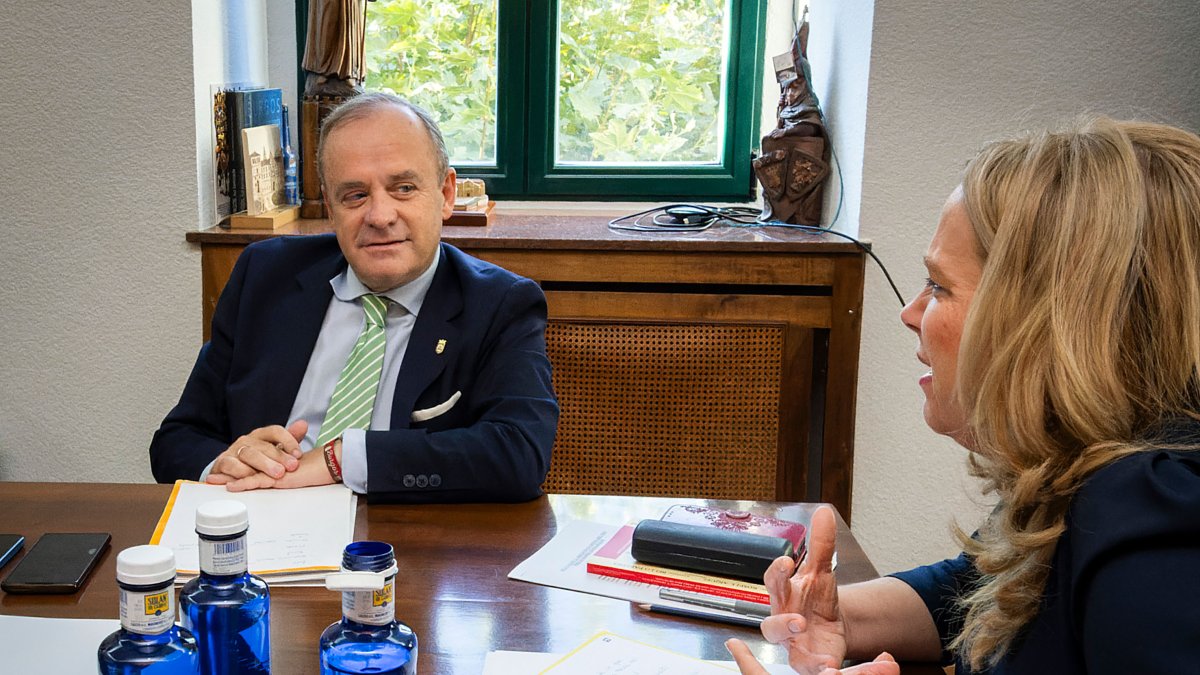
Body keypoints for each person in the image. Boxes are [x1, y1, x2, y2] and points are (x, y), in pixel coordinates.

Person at [728, 117, 1200, 674]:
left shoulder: (1155, 520)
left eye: (939, 286)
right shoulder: (1081, 463)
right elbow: (978, 588)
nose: (911, 315)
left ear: (1045, 323)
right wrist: (837, 618)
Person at [150, 92, 558, 503]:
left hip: (402, 543)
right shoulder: (265, 275)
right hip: (262, 531)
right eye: (355, 195)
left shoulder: (499, 303)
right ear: (330, 206)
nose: (380, 216)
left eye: (403, 188)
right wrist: (224, 462)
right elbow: (177, 439)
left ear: (446, 194)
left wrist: (344, 459)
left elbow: (520, 452)